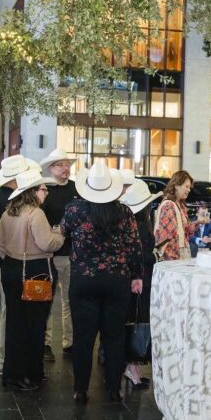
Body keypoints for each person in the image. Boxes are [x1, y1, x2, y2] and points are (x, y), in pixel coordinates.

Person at [62, 161, 143, 403]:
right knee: (114, 336)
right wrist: (137, 275)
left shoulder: (75, 210)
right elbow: (134, 247)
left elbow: (63, 232)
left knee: (83, 337)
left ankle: (80, 390)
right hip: (116, 281)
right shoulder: (125, 213)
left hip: (83, 281)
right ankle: (114, 390)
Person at [0, 168, 64, 392]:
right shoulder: (36, 214)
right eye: (43, 189)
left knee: (15, 324)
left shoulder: (8, 212)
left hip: (11, 269)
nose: (46, 193)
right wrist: (59, 235)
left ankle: (12, 374)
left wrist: (13, 258)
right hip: (35, 271)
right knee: (34, 325)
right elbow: (46, 243)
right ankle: (30, 374)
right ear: (33, 191)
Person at [0, 154, 32, 374]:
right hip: (7, 261)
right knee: (7, 311)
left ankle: (6, 358)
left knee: (9, 310)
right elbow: (3, 240)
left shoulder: (4, 196)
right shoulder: (6, 199)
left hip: (4, 260)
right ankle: (3, 359)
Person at [121, 178, 162, 389]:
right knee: (138, 322)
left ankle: (130, 366)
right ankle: (132, 366)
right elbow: (143, 257)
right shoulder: (141, 227)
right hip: (141, 281)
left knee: (131, 322)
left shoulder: (128, 225)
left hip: (131, 279)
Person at [39, 149, 79, 359]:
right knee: (47, 298)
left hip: (73, 253)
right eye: (61, 164)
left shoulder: (77, 189)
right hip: (49, 253)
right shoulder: (45, 191)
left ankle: (69, 341)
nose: (66, 167)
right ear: (51, 168)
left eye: (67, 164)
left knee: (70, 300)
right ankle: (45, 343)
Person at [154, 170, 204, 261]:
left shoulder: (180, 205)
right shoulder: (168, 206)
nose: (189, 190)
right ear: (176, 185)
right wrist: (175, 261)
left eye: (189, 187)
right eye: (186, 186)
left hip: (181, 254)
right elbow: (166, 238)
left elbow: (186, 231)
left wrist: (198, 222)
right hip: (172, 258)